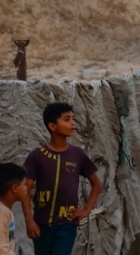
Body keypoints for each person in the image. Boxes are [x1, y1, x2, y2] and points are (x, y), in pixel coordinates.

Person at [22, 102, 102, 255]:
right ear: (52, 126)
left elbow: (96, 183)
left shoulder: (78, 154)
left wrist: (86, 210)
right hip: (41, 226)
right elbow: (26, 189)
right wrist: (29, 221)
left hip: (67, 224)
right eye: (67, 119)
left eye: (73, 119)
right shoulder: (37, 156)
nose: (73, 123)